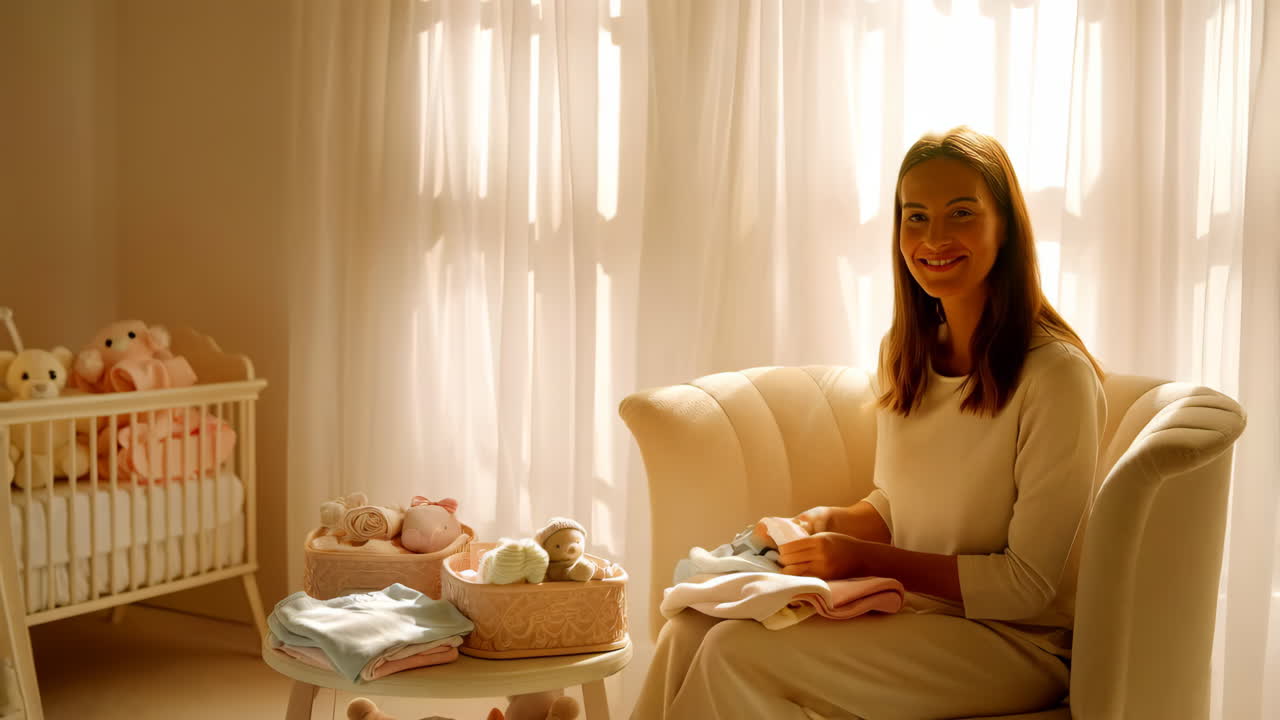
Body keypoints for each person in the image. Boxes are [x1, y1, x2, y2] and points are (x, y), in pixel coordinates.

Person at [630, 126, 1108, 720]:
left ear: (1006, 226)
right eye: (916, 217)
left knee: (736, 652)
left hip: (1016, 643)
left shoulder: (1056, 376)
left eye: (961, 213)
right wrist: (829, 522)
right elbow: (897, 504)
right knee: (693, 627)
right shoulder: (905, 353)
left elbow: (1026, 585)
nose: (934, 238)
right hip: (914, 610)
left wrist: (860, 558)